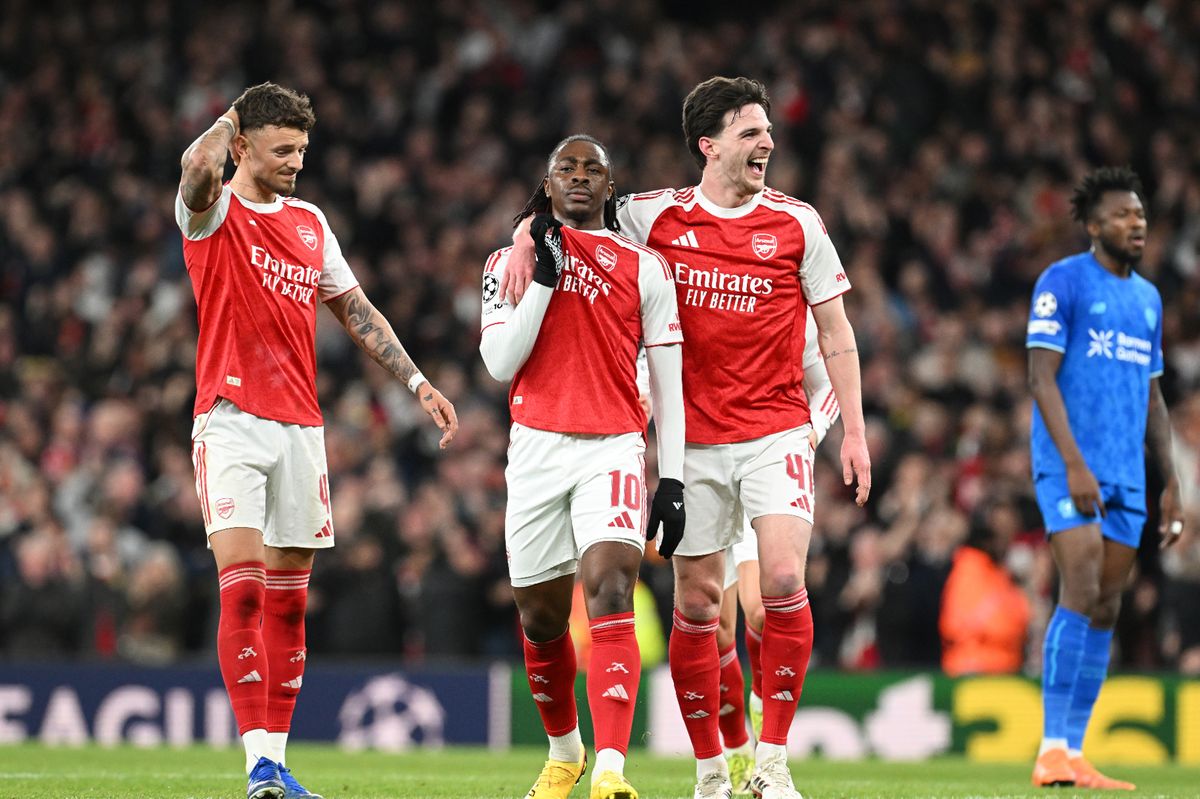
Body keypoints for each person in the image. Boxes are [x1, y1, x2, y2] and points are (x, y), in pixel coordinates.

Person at [504, 76, 870, 799]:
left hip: (776, 429)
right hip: (691, 441)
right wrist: (523, 234)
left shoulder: (799, 224)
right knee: (700, 603)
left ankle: (771, 762)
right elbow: (567, 204)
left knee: (786, 579)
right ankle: (710, 773)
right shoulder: (649, 216)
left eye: (767, 131)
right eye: (750, 132)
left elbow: (835, 332)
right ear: (709, 145)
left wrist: (852, 433)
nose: (767, 142)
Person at [176, 82, 458, 799]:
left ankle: (274, 762)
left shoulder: (309, 222)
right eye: (282, 149)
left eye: (303, 148)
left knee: (290, 603)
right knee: (239, 588)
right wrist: (233, 113)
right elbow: (194, 167)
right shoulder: (212, 212)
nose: (298, 161)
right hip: (230, 419)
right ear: (242, 146)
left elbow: (356, 310)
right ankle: (255, 766)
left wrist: (418, 382)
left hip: (301, 427)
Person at [479, 134, 686, 799]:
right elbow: (500, 363)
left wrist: (673, 477)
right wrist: (541, 272)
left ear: (609, 185)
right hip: (536, 447)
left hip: (614, 446)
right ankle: (565, 752)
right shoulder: (503, 262)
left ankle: (611, 770)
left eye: (591, 168)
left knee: (611, 591)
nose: (577, 176)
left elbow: (669, 381)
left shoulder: (644, 268)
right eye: (564, 167)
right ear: (547, 184)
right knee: (541, 619)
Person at [1026, 165, 1185, 790]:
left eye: (1141, 214)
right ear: (1093, 226)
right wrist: (1072, 463)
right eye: (1123, 215)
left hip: (1128, 474)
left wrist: (1172, 482)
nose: (1136, 223)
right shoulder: (1062, 281)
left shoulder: (1147, 299)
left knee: (1106, 606)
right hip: (1072, 465)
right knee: (1081, 586)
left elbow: (1154, 397)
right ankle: (1049, 749)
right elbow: (1040, 377)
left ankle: (1073, 750)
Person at [713, 310, 840, 795]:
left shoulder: (790, 309)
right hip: (702, 462)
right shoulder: (699, 284)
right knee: (716, 628)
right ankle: (737, 749)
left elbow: (827, 385)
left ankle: (767, 739)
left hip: (763, 464)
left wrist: (814, 429)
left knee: (763, 611)